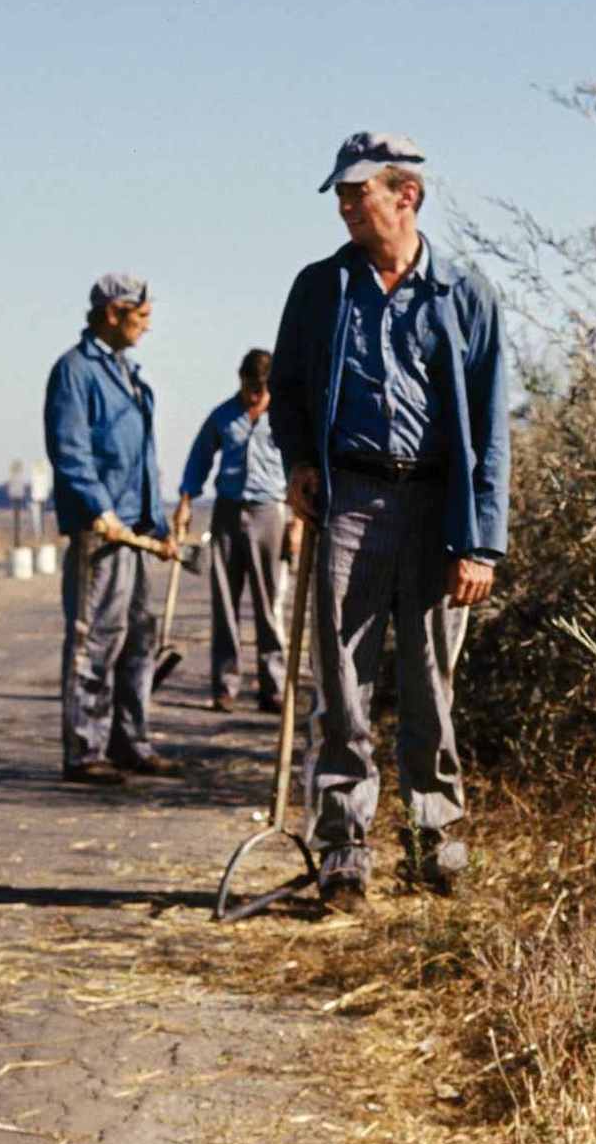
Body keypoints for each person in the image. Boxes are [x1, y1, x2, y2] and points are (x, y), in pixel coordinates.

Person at [269, 132, 510, 906]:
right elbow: (293, 395)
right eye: (340, 195)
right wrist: (302, 463)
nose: (344, 206)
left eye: (357, 192)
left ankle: (434, 839)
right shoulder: (319, 289)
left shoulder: (464, 294)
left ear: (405, 195)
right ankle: (343, 846)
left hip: (439, 507)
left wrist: (481, 541)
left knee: (430, 681)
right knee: (341, 679)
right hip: (350, 502)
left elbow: (492, 424)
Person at [42, 272, 181, 787]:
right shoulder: (75, 372)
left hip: (138, 531)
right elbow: (70, 450)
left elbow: (144, 460)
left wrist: (161, 526)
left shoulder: (130, 376)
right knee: (95, 640)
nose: (146, 326)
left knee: (139, 641)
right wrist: (100, 511)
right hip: (102, 532)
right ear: (111, 313)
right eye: (140, 317)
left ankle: (131, 741)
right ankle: (85, 750)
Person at [174, 348, 296, 713]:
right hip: (226, 512)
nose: (253, 395)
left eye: (259, 388)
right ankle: (225, 686)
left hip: (269, 513)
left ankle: (272, 686)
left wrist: (298, 522)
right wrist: (185, 501)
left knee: (268, 605)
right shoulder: (223, 416)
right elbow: (199, 459)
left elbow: (300, 468)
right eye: (247, 387)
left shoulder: (285, 418)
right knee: (225, 603)